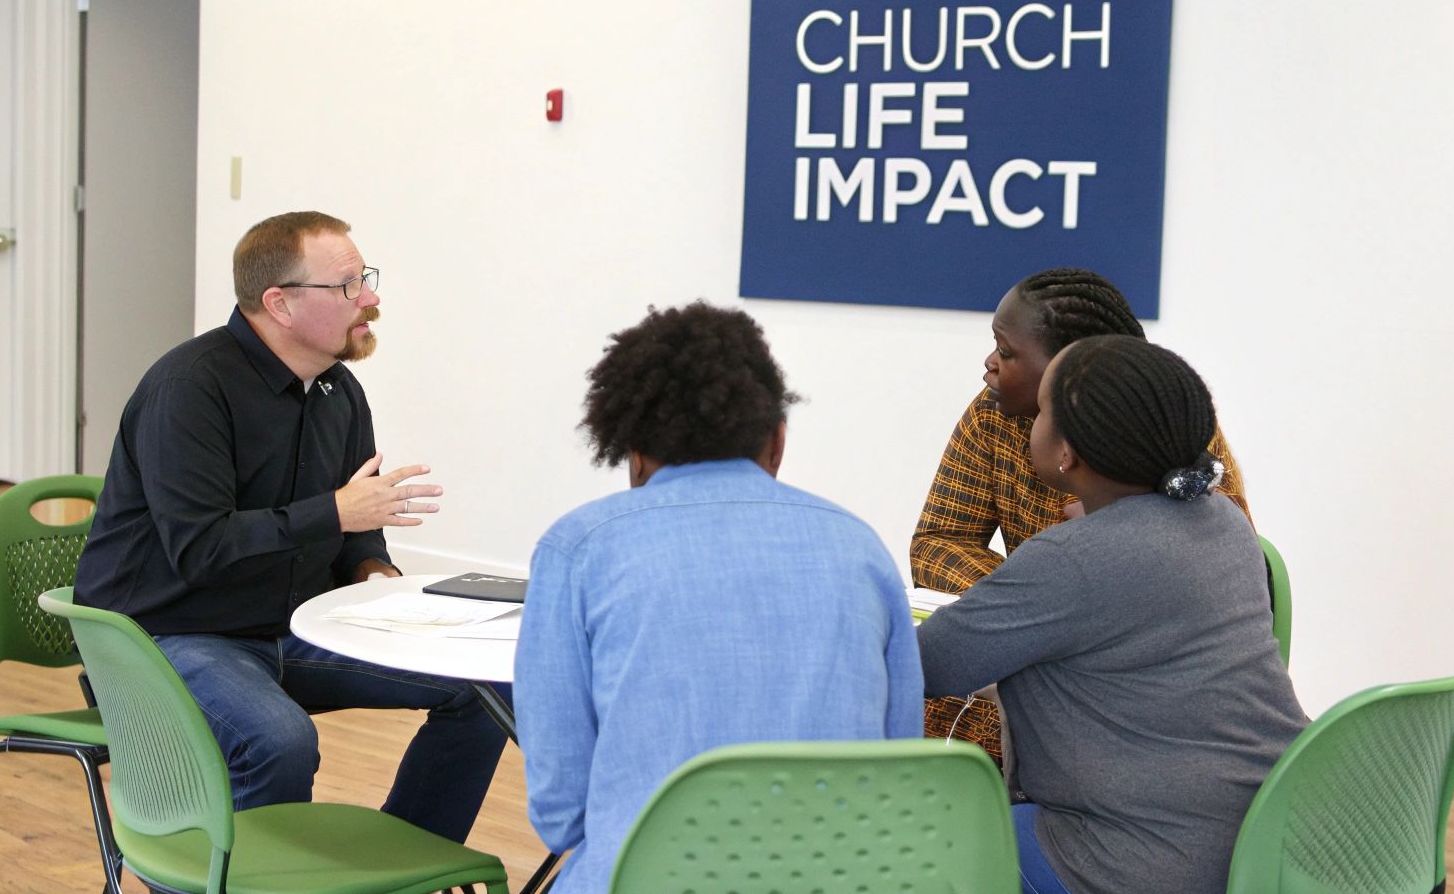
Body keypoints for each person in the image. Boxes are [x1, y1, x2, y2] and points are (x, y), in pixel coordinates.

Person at [72, 210, 505, 841]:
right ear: (279, 303)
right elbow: (200, 550)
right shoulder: (190, 388)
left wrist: (374, 574)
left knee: (483, 691)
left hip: (288, 627)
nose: (372, 298)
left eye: (367, 278)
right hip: (170, 632)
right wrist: (335, 511)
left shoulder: (339, 391)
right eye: (349, 285)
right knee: (278, 741)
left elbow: (356, 530)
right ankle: (239, 880)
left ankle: (397, 871)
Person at [515, 301, 923, 894]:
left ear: (633, 456)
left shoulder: (577, 550)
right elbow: (898, 759)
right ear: (777, 441)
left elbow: (561, 814)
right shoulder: (859, 546)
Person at [916, 335, 1305, 894]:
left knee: (928, 841)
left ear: (1066, 453)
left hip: (1142, 863)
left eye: (1044, 412)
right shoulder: (1223, 522)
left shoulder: (1067, 561)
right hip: (1271, 839)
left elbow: (931, 665)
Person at [911, 267, 1251, 750]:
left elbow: (924, 661)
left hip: (1132, 751)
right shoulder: (1226, 529)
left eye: (1006, 352)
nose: (989, 364)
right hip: (1239, 772)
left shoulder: (1075, 554)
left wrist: (1031, 604)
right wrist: (1020, 605)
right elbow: (940, 540)